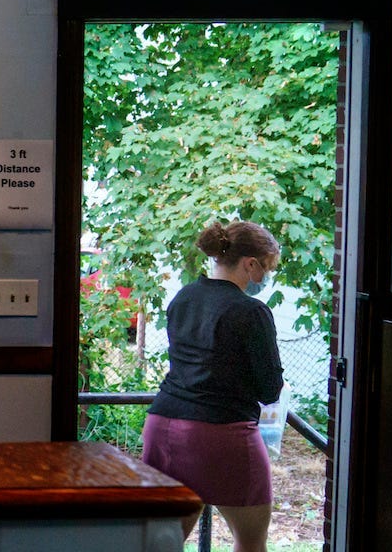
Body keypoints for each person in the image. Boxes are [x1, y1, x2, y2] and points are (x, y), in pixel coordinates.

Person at [140, 220, 285, 552]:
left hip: (162, 426)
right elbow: (269, 389)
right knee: (250, 542)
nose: (264, 277)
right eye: (266, 268)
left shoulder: (184, 297)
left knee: (164, 541)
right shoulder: (252, 312)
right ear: (250, 263)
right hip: (220, 432)